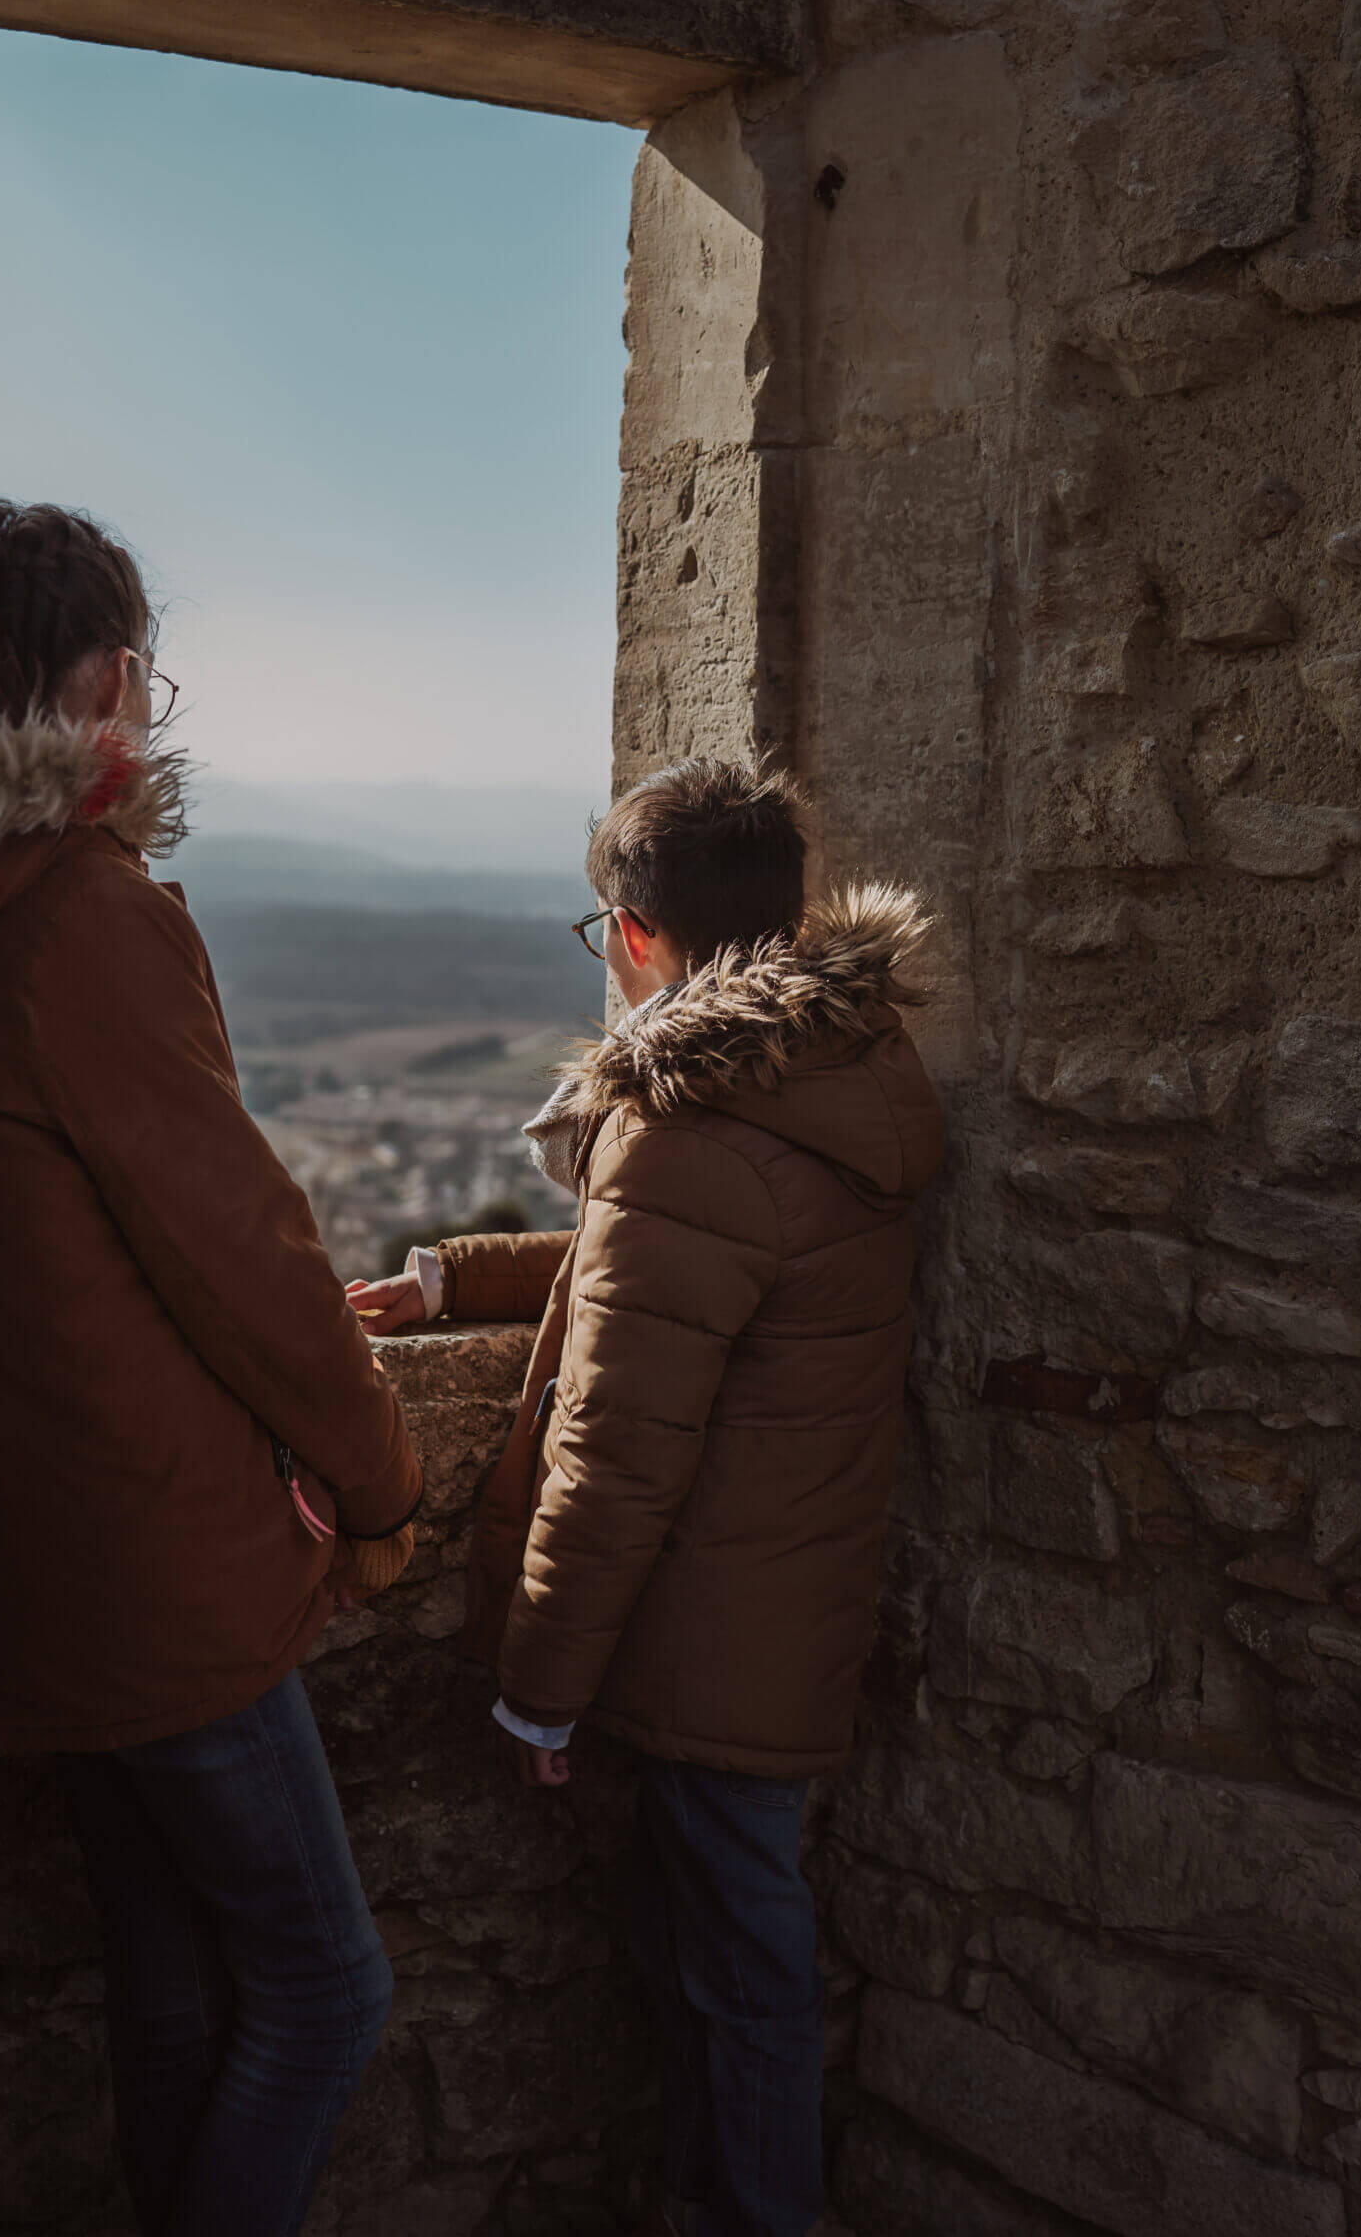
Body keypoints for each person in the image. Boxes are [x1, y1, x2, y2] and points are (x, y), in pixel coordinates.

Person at [0, 499, 422, 2237]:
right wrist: (381, 1475)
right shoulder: (80, 914)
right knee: (326, 1989)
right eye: (142, 672)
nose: (149, 703)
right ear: (100, 684)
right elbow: (237, 1251)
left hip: (28, 1563)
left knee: (172, 1980)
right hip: (157, 1564)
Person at [351, 759, 943, 2237]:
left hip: (703, 1637)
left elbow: (615, 1446)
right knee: (731, 1969)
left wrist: (539, 1688)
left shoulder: (692, 1126)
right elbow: (694, 1268)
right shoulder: (838, 1071)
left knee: (733, 1979)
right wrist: (458, 1277)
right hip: (783, 1606)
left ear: (634, 935)